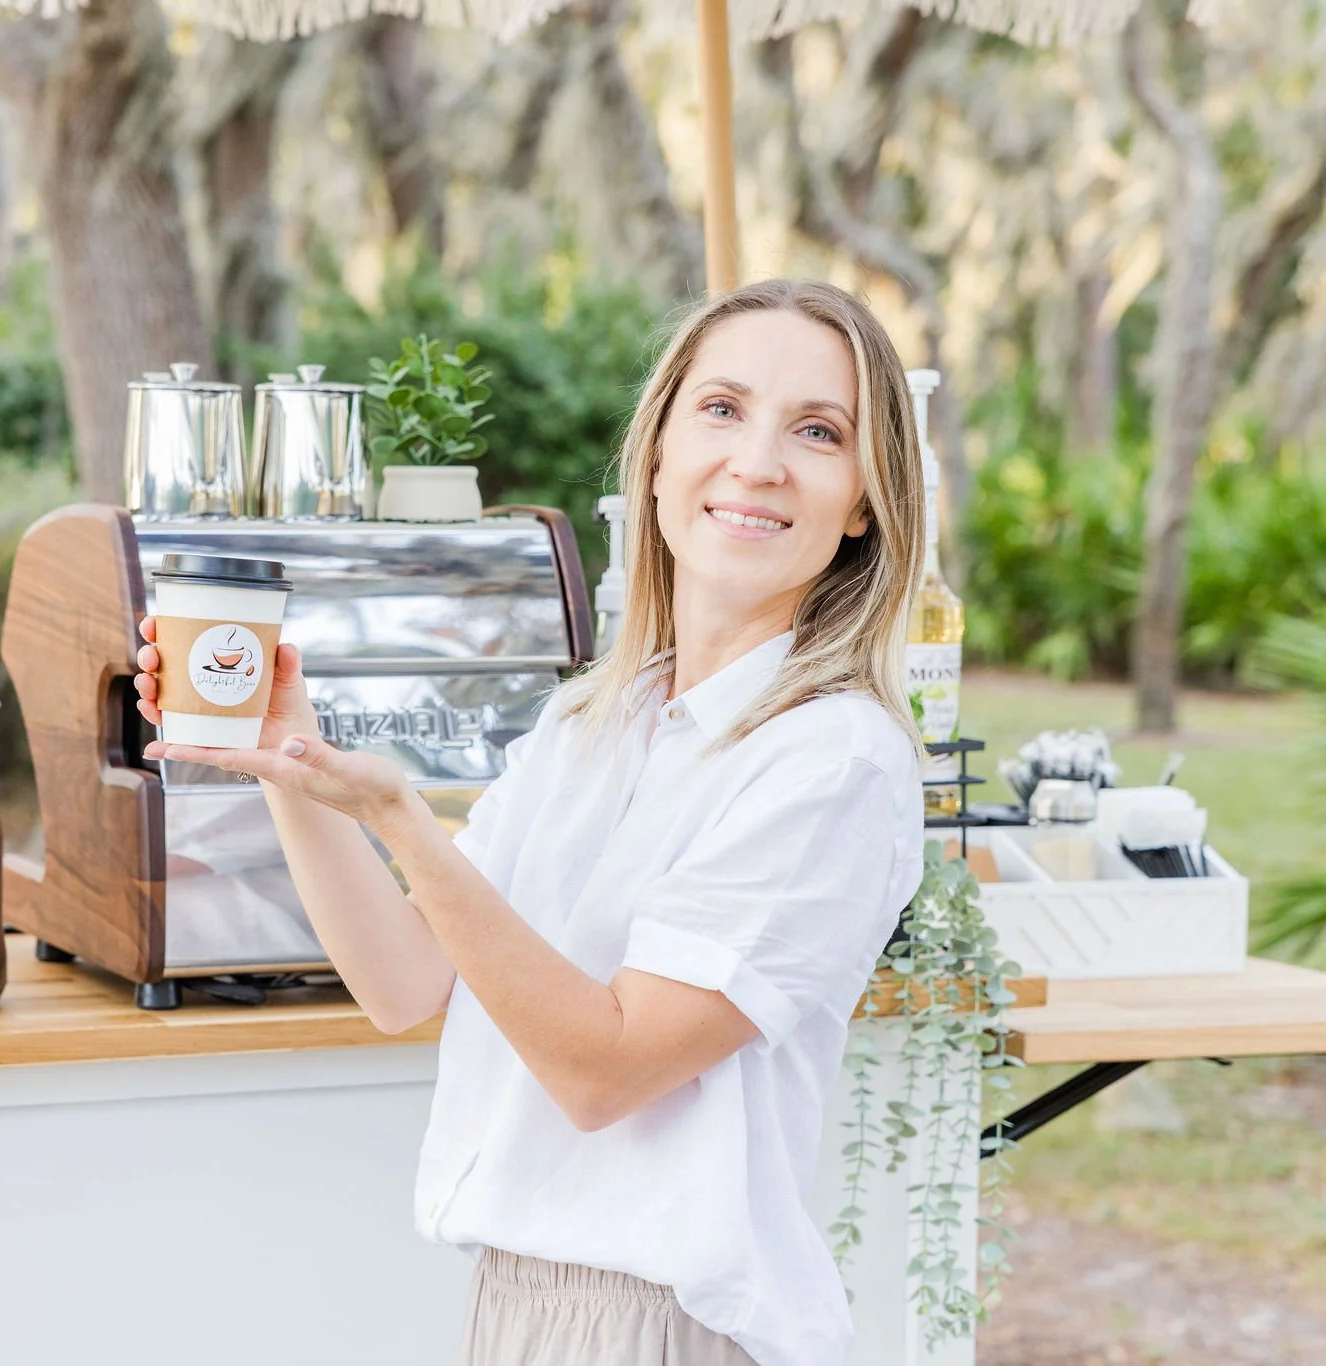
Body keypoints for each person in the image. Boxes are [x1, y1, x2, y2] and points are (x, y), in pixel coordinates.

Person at [134, 278, 927, 1366]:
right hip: (518, 1310)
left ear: (863, 503)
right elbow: (402, 982)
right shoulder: (592, 719)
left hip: (671, 1329)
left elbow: (604, 1069)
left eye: (817, 431)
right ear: (654, 456)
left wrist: (406, 825)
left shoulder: (831, 761)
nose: (755, 461)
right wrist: (289, 761)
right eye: (722, 409)